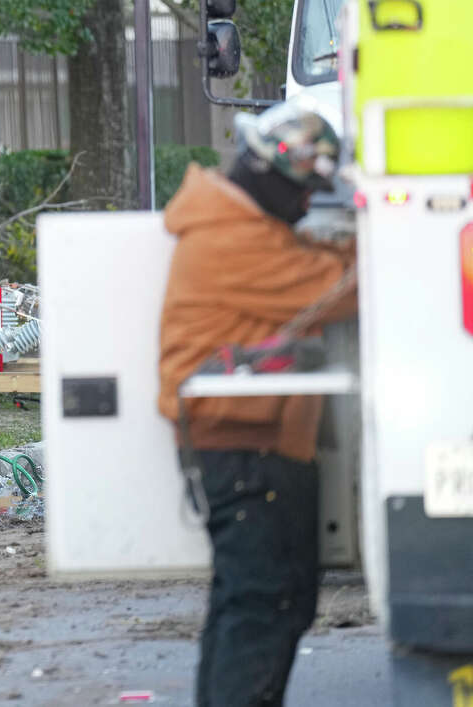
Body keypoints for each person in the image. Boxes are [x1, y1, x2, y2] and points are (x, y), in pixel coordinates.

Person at [157, 100, 356, 706]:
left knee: (259, 601)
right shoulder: (234, 236)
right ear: (274, 172)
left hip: (251, 445)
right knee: (263, 605)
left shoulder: (239, 222)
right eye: (305, 190)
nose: (306, 205)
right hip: (247, 447)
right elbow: (339, 288)